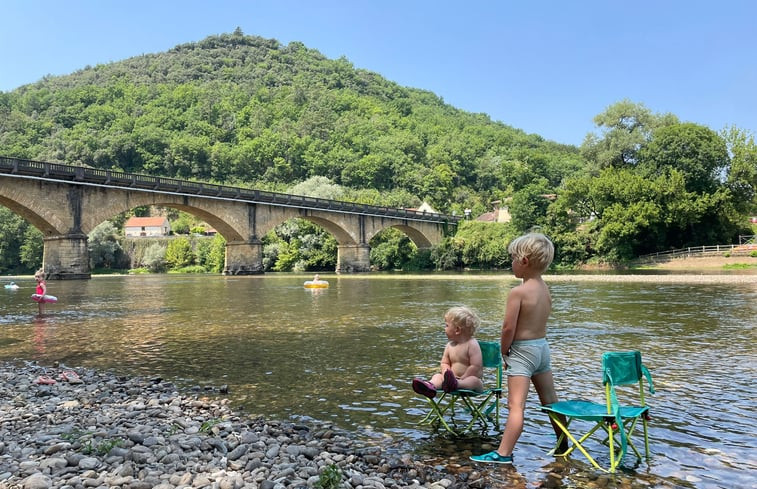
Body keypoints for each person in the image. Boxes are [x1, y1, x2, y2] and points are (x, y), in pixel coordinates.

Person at [470, 232, 567, 465]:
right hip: (542, 349)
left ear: (523, 262)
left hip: (522, 352)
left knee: (515, 405)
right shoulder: (545, 289)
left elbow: (507, 329)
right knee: (551, 400)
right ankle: (564, 443)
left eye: (512, 258)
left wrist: (504, 352)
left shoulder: (518, 292)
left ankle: (503, 454)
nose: (510, 263)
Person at [412, 306, 484, 398]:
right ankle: (430, 386)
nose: (444, 329)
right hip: (450, 381)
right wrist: (447, 374)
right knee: (437, 376)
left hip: (471, 383)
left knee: (474, 381)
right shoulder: (449, 346)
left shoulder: (472, 344)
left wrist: (462, 379)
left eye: (446, 325)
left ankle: (456, 383)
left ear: (457, 330)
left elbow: (475, 366)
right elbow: (444, 363)